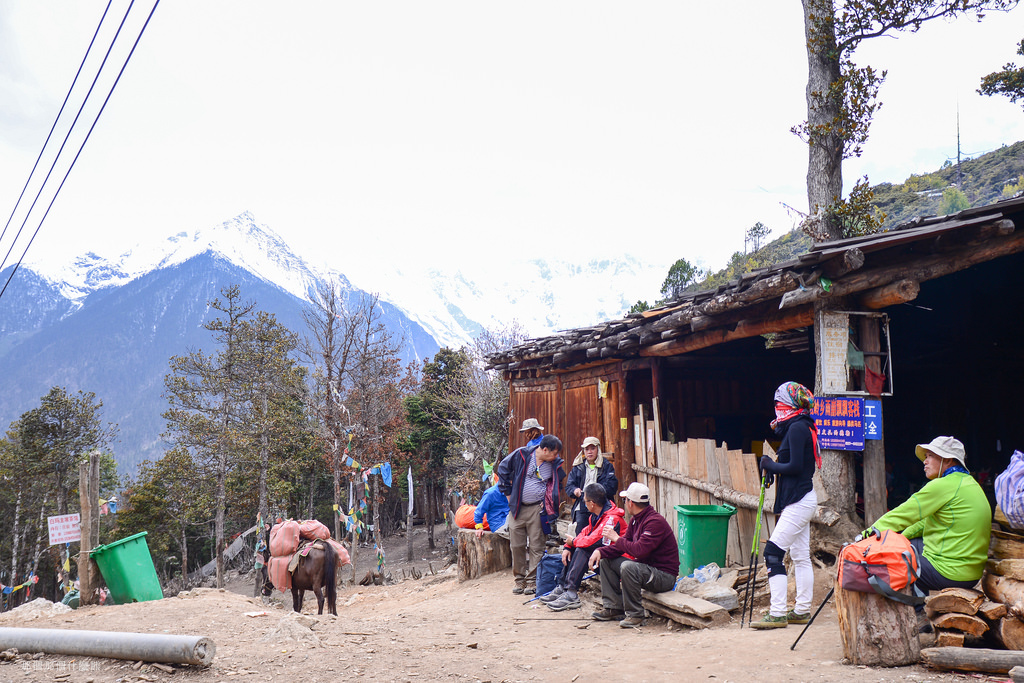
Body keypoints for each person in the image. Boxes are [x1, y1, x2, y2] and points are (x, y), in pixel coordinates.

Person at [867, 436, 991, 592]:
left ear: (948, 460)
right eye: (925, 457)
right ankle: (918, 602)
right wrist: (902, 537)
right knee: (909, 543)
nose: (925, 461)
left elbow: (903, 514)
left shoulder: (943, 485)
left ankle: (912, 606)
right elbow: (923, 523)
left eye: (930, 456)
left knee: (887, 559)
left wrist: (867, 535)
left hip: (950, 573)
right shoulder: (968, 482)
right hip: (970, 574)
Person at [750, 381, 819, 630]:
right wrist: (772, 467)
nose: (777, 409)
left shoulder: (798, 427)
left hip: (799, 501)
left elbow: (796, 467)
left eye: (780, 404)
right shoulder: (799, 426)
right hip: (801, 498)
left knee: (772, 554)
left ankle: (778, 612)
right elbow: (789, 463)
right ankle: (801, 611)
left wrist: (770, 465)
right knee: (800, 556)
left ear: (790, 405)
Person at [589, 482, 678, 628]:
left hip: (664, 576)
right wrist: (600, 551)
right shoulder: (637, 519)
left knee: (628, 566)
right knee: (606, 561)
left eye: (625, 500)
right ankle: (614, 607)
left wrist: (616, 538)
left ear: (630, 503)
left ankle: (636, 615)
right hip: (647, 570)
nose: (624, 504)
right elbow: (622, 547)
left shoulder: (654, 522)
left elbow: (638, 551)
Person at [498, 434, 565, 595]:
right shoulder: (522, 454)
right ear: (545, 449)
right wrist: (509, 497)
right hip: (518, 508)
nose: (557, 456)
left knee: (537, 546)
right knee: (516, 545)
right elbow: (502, 469)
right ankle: (519, 580)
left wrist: (548, 499)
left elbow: (558, 483)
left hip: (537, 509)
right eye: (554, 453)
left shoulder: (554, 464)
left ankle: (532, 582)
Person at [541, 483, 626, 611]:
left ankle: (571, 593)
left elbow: (592, 541)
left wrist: (573, 542)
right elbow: (583, 533)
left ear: (592, 503)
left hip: (616, 563)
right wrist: (567, 547)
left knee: (583, 548)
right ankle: (563, 587)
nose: (584, 504)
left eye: (585, 501)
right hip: (605, 558)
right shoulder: (596, 516)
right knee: (577, 547)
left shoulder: (611, 519)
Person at [565, 436, 618, 536]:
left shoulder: (607, 466)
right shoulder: (578, 467)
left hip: (603, 505)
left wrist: (595, 495)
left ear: (598, 449)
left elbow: (612, 487)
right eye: (587, 449)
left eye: (592, 448)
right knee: (581, 531)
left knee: (603, 534)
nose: (590, 452)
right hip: (583, 504)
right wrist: (575, 490)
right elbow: (569, 486)